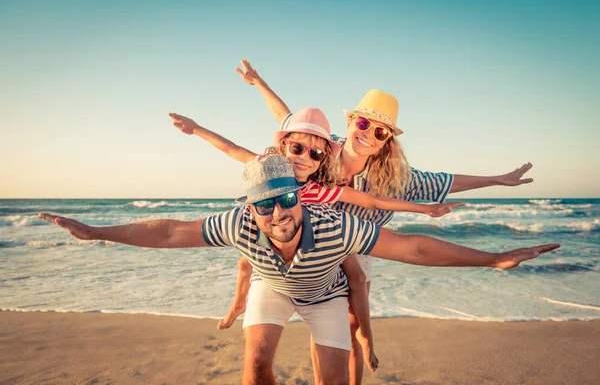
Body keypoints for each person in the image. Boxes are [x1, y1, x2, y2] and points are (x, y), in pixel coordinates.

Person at [39, 155, 558, 385]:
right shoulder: (242, 222)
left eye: (286, 198)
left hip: (326, 295)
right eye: (264, 205)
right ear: (251, 207)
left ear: (300, 196)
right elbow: (171, 230)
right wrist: (97, 231)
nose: (277, 213)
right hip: (273, 288)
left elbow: (414, 249)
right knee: (256, 366)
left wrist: (493, 258)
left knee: (333, 379)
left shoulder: (335, 227)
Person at [234, 59, 536, 384]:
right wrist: (259, 83)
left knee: (349, 330)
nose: (368, 134)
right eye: (363, 123)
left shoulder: (396, 179)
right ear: (350, 121)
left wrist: (499, 180)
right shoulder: (320, 150)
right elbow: (287, 117)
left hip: (356, 247)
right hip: (311, 239)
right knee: (319, 328)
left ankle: (360, 352)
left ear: (386, 141)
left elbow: (446, 182)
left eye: (380, 132)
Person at [170, 107, 465, 371]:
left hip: (322, 240)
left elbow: (373, 202)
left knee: (357, 278)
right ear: (284, 145)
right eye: (297, 148)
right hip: (275, 236)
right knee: (246, 264)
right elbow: (233, 149)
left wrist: (425, 208)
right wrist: (196, 129)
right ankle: (237, 306)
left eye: (314, 153)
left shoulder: (320, 189)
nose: (304, 157)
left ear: (322, 157)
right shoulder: (269, 168)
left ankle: (366, 336)